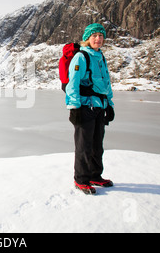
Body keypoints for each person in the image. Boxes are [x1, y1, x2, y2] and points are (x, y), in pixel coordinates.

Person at [65, 23, 115, 195]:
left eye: (101, 36)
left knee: (97, 145)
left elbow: (106, 84)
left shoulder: (100, 57)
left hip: (100, 107)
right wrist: (74, 108)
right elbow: (73, 83)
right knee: (83, 146)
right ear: (87, 38)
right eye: (94, 36)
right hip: (85, 107)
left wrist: (110, 105)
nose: (98, 39)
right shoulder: (81, 57)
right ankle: (81, 179)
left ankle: (95, 175)